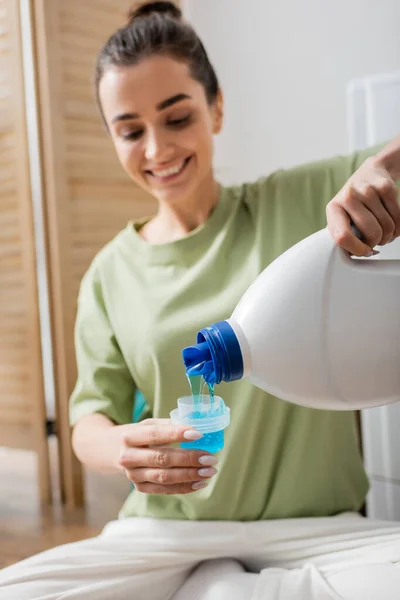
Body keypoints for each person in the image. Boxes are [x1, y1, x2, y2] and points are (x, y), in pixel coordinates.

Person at [2, 2, 400, 599]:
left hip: (316, 528)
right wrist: (123, 449)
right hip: (166, 534)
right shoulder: (110, 273)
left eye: (177, 117)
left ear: (215, 109)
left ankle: (223, 588)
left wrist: (383, 173)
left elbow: (385, 169)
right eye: (131, 130)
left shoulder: (297, 204)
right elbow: (88, 421)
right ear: (112, 137)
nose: (157, 150)